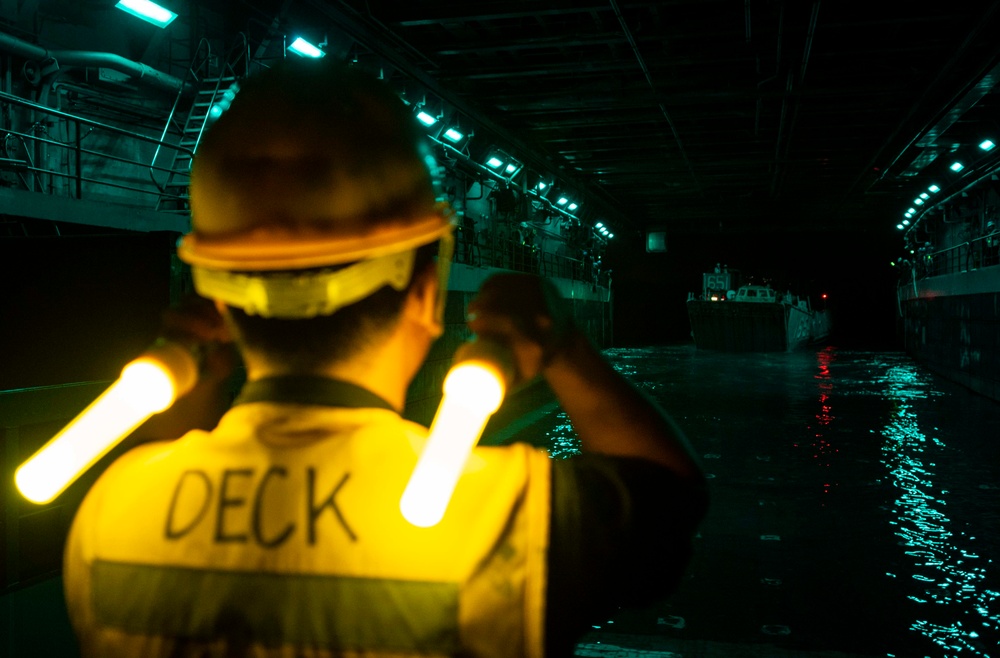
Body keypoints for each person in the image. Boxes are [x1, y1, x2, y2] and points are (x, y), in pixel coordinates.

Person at [63, 60, 706, 658]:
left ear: (219, 298)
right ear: (427, 294)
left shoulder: (110, 510)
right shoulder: (508, 516)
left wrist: (188, 404)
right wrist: (565, 345)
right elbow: (669, 506)